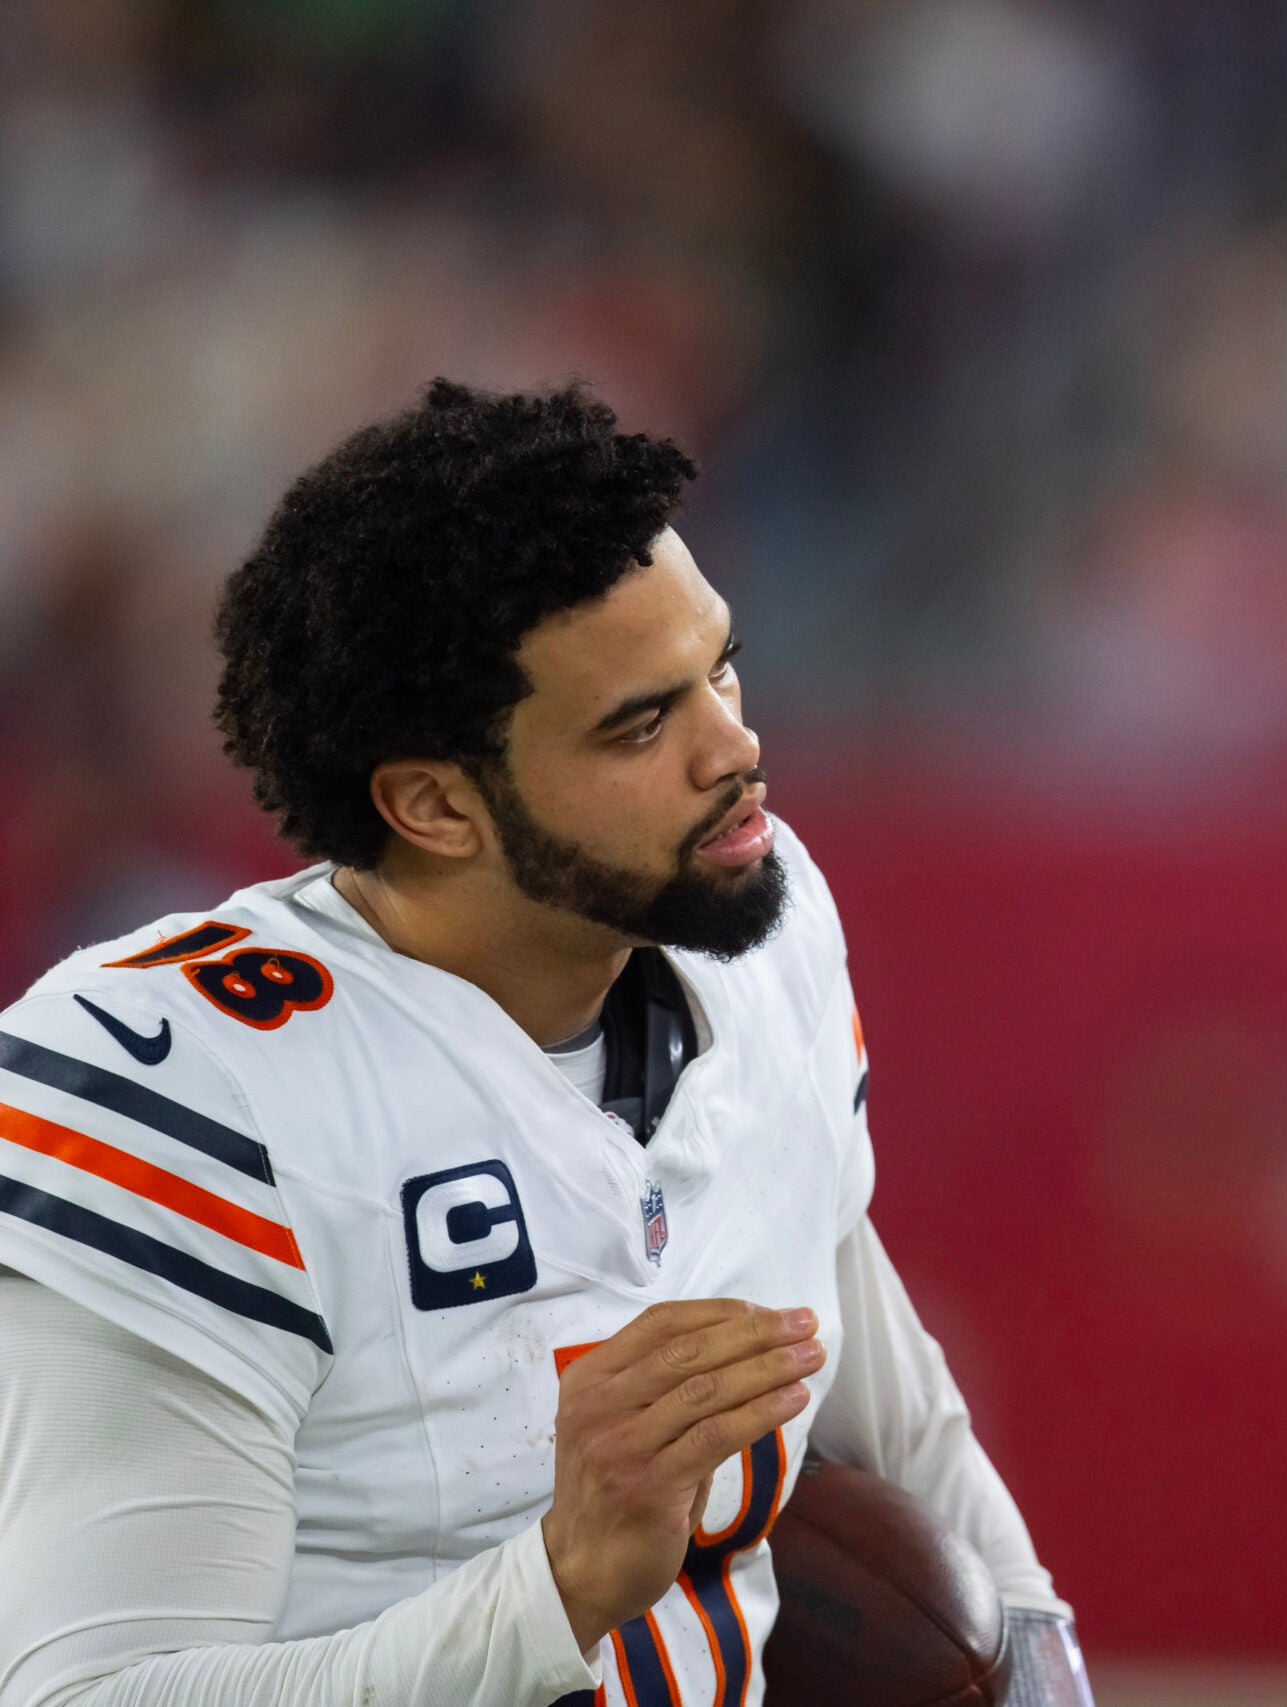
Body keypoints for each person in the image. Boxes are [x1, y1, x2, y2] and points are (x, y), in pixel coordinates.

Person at [0, 381, 1090, 1707]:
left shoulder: (758, 934)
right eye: (642, 724)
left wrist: (1034, 1653)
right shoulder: (186, 1091)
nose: (735, 746)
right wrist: (556, 1588)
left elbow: (848, 1321)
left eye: (720, 667)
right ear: (433, 805)